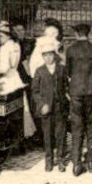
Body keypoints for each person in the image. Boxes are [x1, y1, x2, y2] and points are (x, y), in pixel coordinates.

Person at [65, 23, 92, 176]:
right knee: (91, 126)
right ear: (89, 33)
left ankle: (76, 163)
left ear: (76, 34)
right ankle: (91, 161)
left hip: (75, 92)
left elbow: (68, 72)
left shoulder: (70, 49)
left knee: (76, 127)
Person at [0, 20, 35, 138]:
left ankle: (8, 137)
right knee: (21, 109)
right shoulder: (16, 45)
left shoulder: (5, 48)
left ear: (7, 35)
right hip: (16, 78)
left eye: (0, 36)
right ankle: (22, 137)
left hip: (8, 81)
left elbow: (3, 69)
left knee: (7, 112)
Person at [31, 41, 69, 172]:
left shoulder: (61, 69)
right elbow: (35, 91)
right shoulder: (39, 71)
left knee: (61, 134)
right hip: (47, 109)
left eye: (50, 55)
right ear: (42, 57)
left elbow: (66, 87)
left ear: (54, 55)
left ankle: (61, 159)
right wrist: (41, 105)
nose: (48, 58)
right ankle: (49, 160)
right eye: (45, 55)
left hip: (60, 107)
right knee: (47, 135)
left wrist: (67, 100)